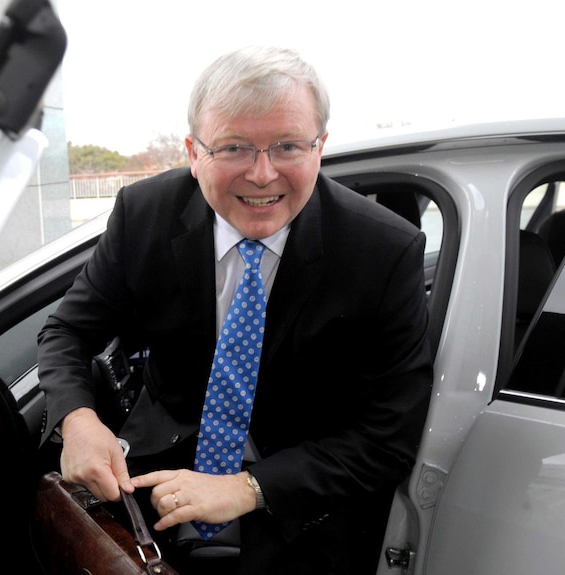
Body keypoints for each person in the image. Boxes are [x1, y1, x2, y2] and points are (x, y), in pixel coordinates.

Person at [37, 45, 433, 574]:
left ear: (321, 147)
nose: (263, 174)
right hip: (155, 479)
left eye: (288, 146)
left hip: (304, 505)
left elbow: (389, 434)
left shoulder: (383, 251)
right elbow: (66, 330)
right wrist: (79, 419)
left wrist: (249, 488)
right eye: (234, 148)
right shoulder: (144, 215)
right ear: (193, 152)